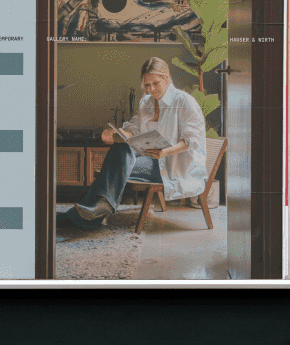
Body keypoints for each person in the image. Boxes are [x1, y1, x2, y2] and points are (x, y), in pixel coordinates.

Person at [58, 57, 207, 231]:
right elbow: (134, 128)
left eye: (155, 83)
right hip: (149, 161)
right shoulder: (146, 102)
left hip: (172, 165)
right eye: (147, 85)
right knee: (121, 146)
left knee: (111, 168)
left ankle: (85, 213)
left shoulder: (184, 101)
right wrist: (118, 135)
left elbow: (193, 141)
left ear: (166, 77)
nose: (151, 89)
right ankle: (99, 207)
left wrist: (165, 152)